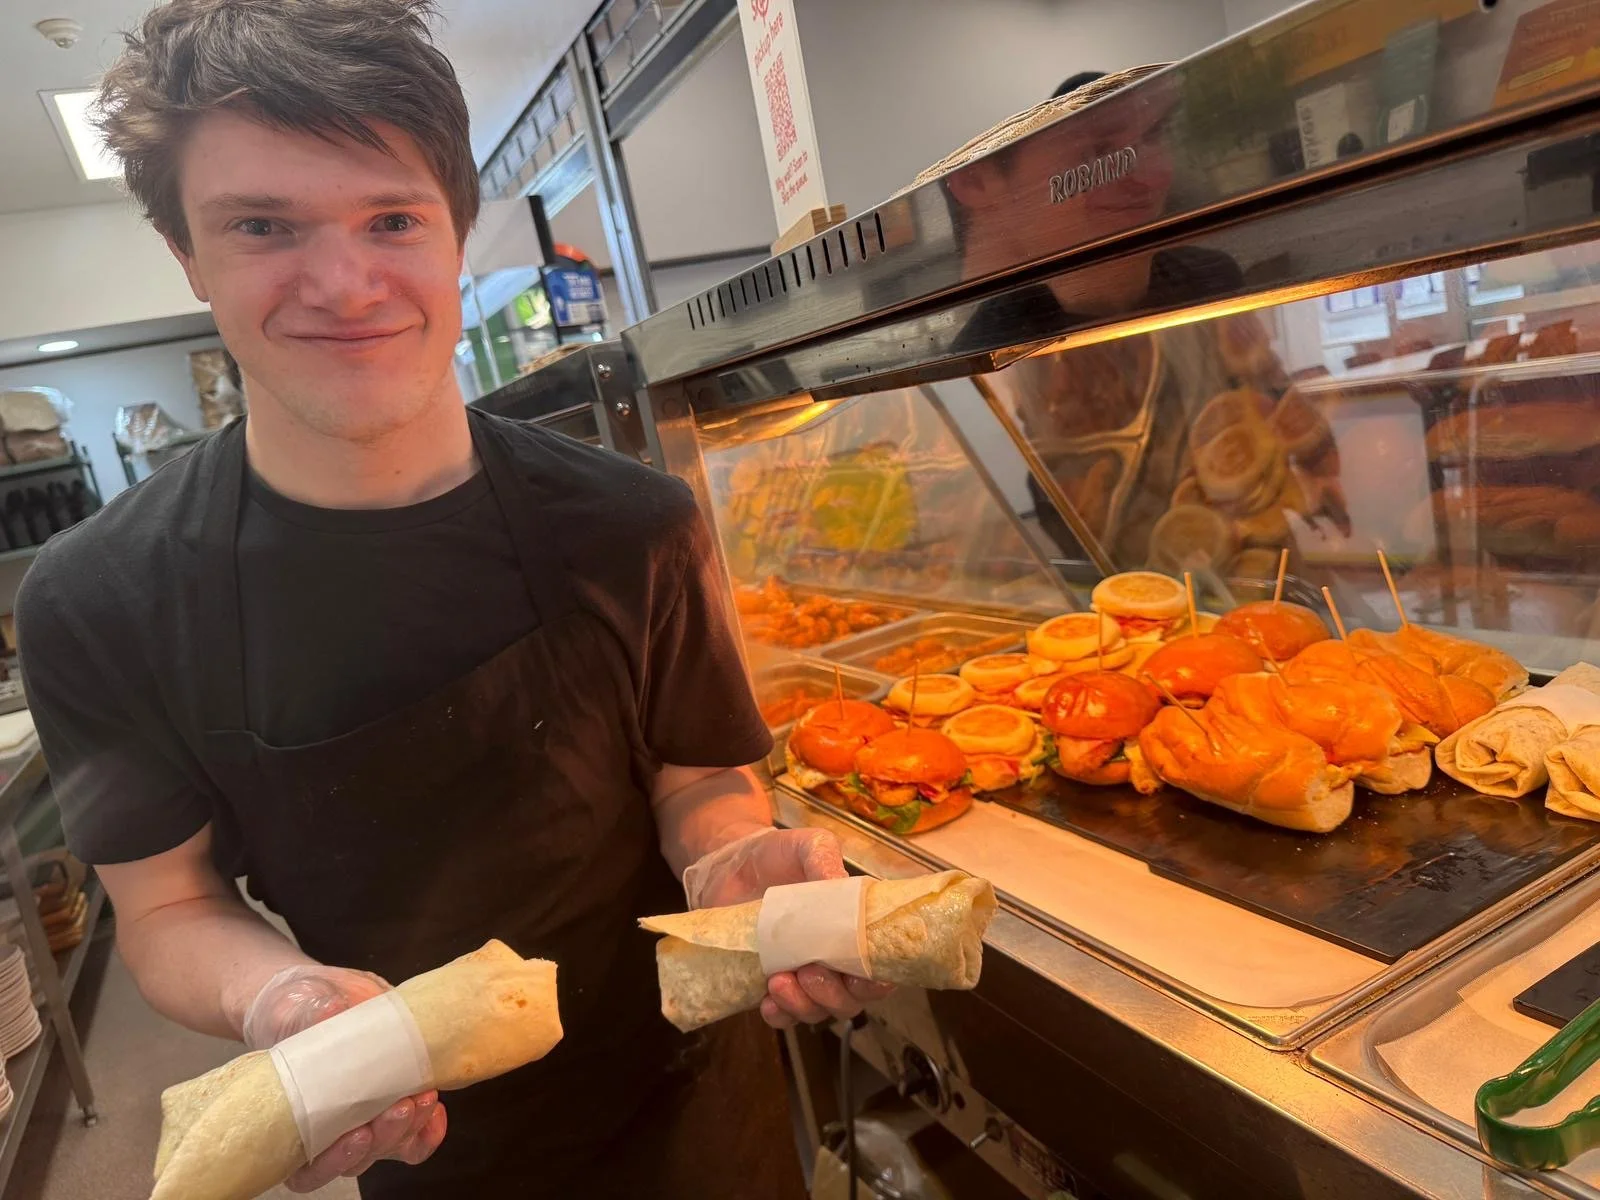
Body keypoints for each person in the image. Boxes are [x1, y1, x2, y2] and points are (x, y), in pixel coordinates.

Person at [17, 2, 887, 1195]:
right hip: (414, 1129)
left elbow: (700, 782)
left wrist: (736, 861)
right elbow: (167, 906)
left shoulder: (634, 523)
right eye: (263, 224)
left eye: (390, 218)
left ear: (456, 234)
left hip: (696, 1106)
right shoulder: (101, 597)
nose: (342, 281)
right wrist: (275, 995)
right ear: (188, 256)